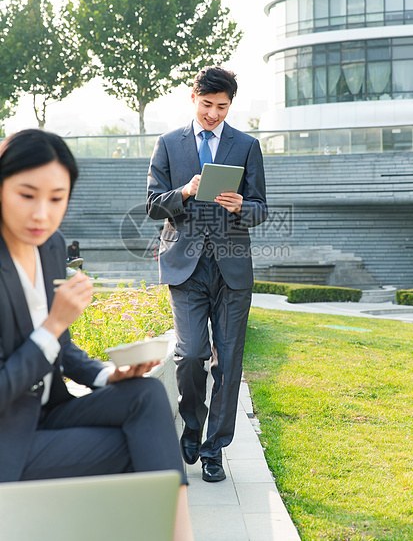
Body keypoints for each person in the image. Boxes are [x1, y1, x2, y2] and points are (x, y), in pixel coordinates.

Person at [0, 129, 192, 541]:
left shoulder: (49, 247)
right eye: (26, 195)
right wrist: (54, 323)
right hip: (7, 438)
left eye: (56, 198)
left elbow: (61, 349)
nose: (41, 214)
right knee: (142, 449)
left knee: (145, 395)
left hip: (50, 413)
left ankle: (180, 535)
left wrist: (108, 374)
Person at [146, 66, 267, 483]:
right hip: (185, 266)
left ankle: (215, 448)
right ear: (192, 98)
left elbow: (260, 208)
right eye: (207, 104)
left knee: (229, 362)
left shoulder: (247, 145)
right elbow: (152, 206)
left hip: (232, 269)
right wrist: (184, 192)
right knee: (193, 353)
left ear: (231, 104)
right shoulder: (167, 144)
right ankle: (193, 425)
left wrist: (240, 206)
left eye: (222, 106)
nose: (214, 113)